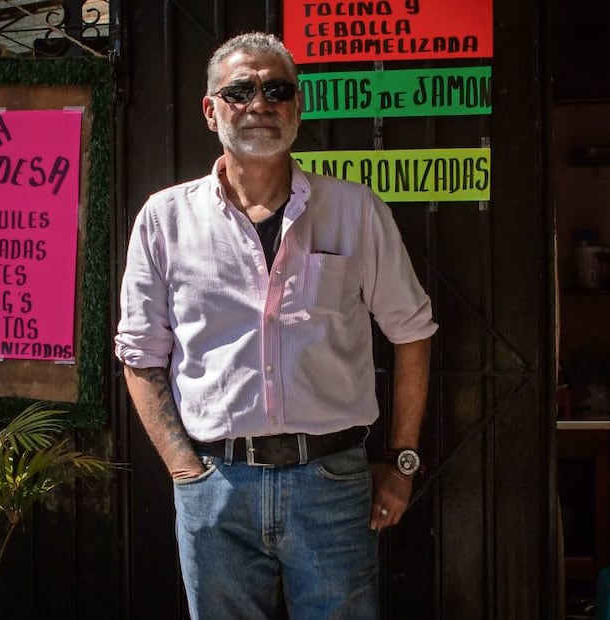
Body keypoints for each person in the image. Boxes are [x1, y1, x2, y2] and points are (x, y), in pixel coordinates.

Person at [114, 31, 437, 619]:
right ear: (211, 110)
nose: (259, 103)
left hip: (333, 485)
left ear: (297, 106)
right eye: (240, 90)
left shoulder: (354, 210)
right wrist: (186, 471)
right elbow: (140, 353)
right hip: (216, 486)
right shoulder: (164, 220)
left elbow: (411, 332)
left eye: (276, 89)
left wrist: (403, 461)